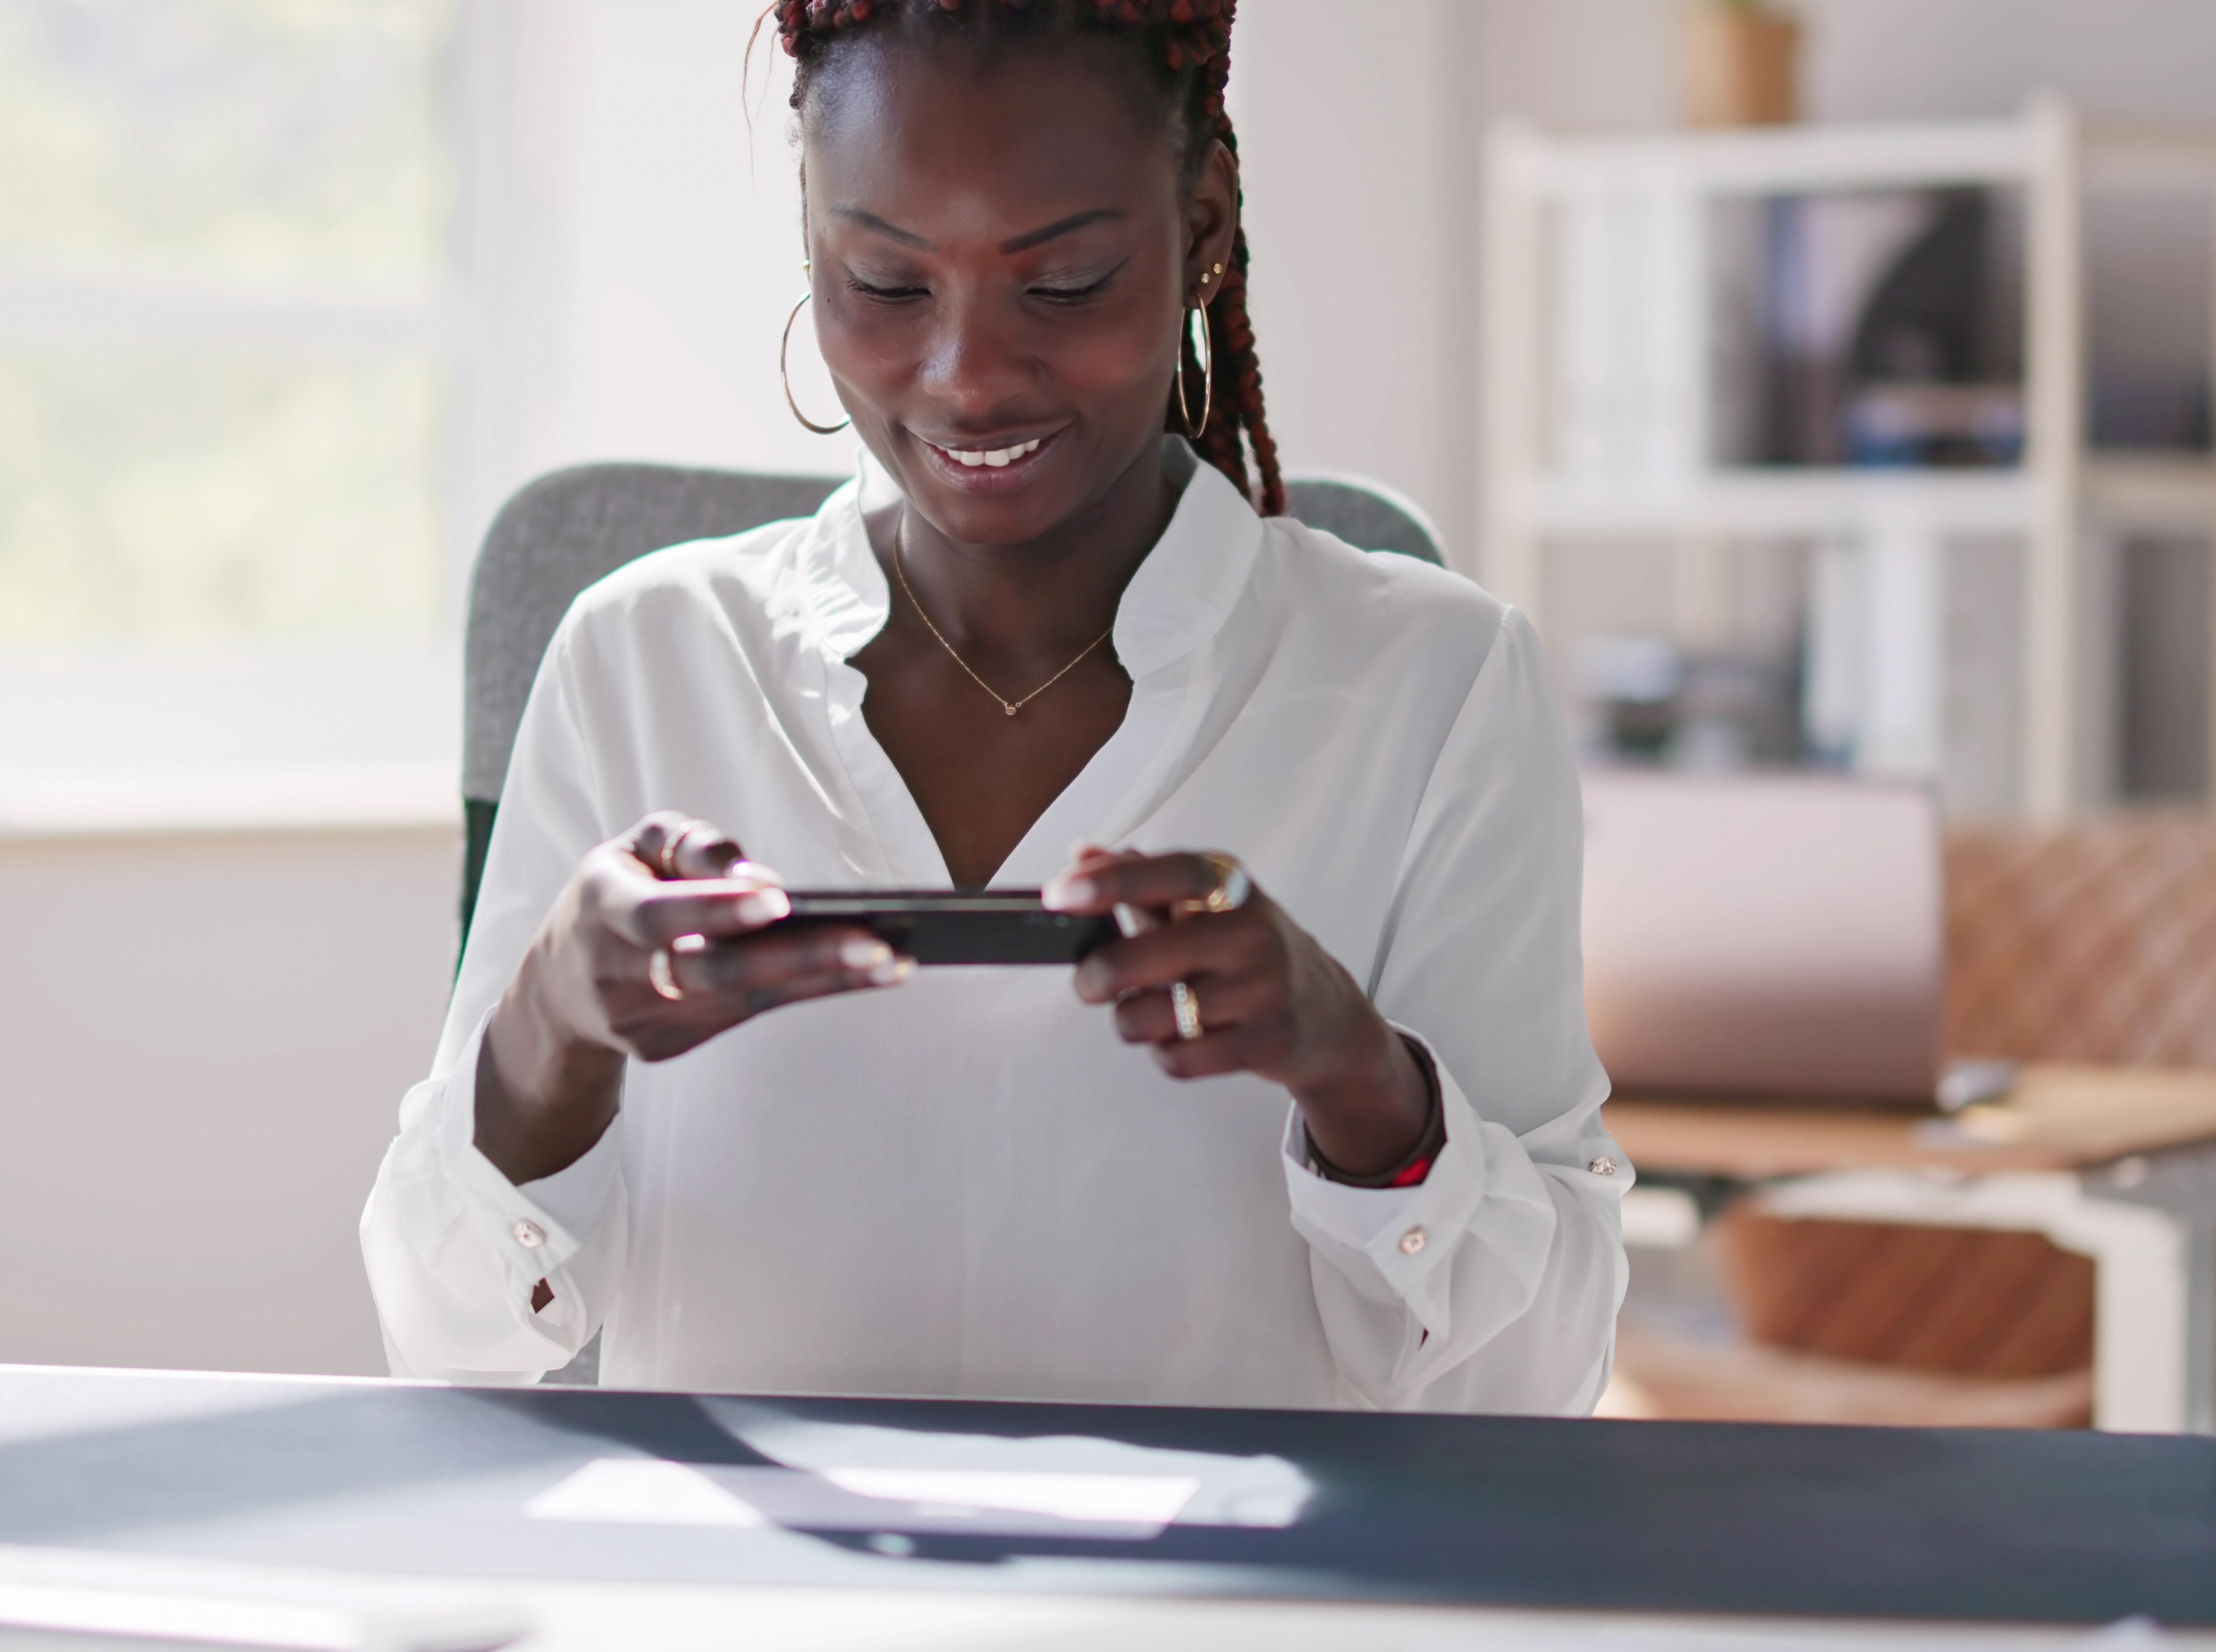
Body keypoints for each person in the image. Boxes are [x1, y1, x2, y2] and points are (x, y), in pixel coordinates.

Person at [361, 0, 1627, 1411]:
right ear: (809, 228)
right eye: (888, 283)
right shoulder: (641, 659)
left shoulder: (1437, 689)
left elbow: (1541, 1390)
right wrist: (549, 1030)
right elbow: (450, 1339)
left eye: (1068, 281)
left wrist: (1360, 1079)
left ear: (1202, 220)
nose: (966, 375)